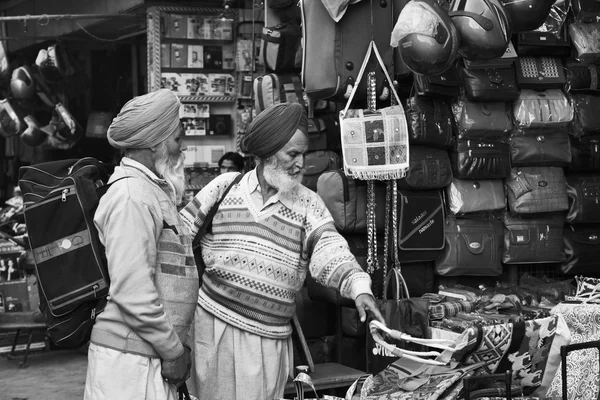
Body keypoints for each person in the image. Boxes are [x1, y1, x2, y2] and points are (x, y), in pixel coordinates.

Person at [180, 102, 385, 400]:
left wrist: (359, 288)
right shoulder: (224, 187)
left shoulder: (308, 204)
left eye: (302, 154)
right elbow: (179, 238)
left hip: (266, 341)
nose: (301, 163)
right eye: (293, 154)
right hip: (212, 330)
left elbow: (330, 248)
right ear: (266, 152)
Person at [84, 89, 198, 400]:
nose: (183, 146)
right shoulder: (132, 197)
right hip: (129, 365)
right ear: (155, 143)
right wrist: (174, 351)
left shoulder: (148, 190)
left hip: (144, 358)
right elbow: (133, 292)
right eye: (177, 139)